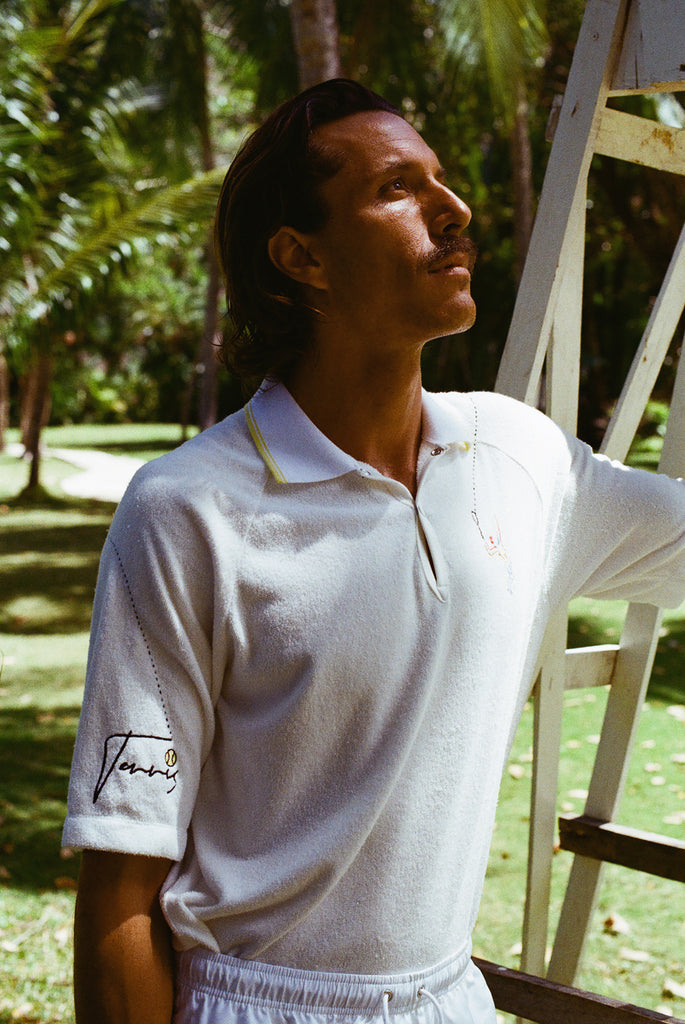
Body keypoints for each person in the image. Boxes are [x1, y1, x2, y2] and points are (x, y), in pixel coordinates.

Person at [63, 79, 685, 1024]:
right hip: (258, 1003)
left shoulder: (519, 460)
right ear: (300, 257)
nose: (454, 207)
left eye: (441, 177)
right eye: (398, 187)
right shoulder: (187, 510)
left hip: (447, 999)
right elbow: (119, 889)